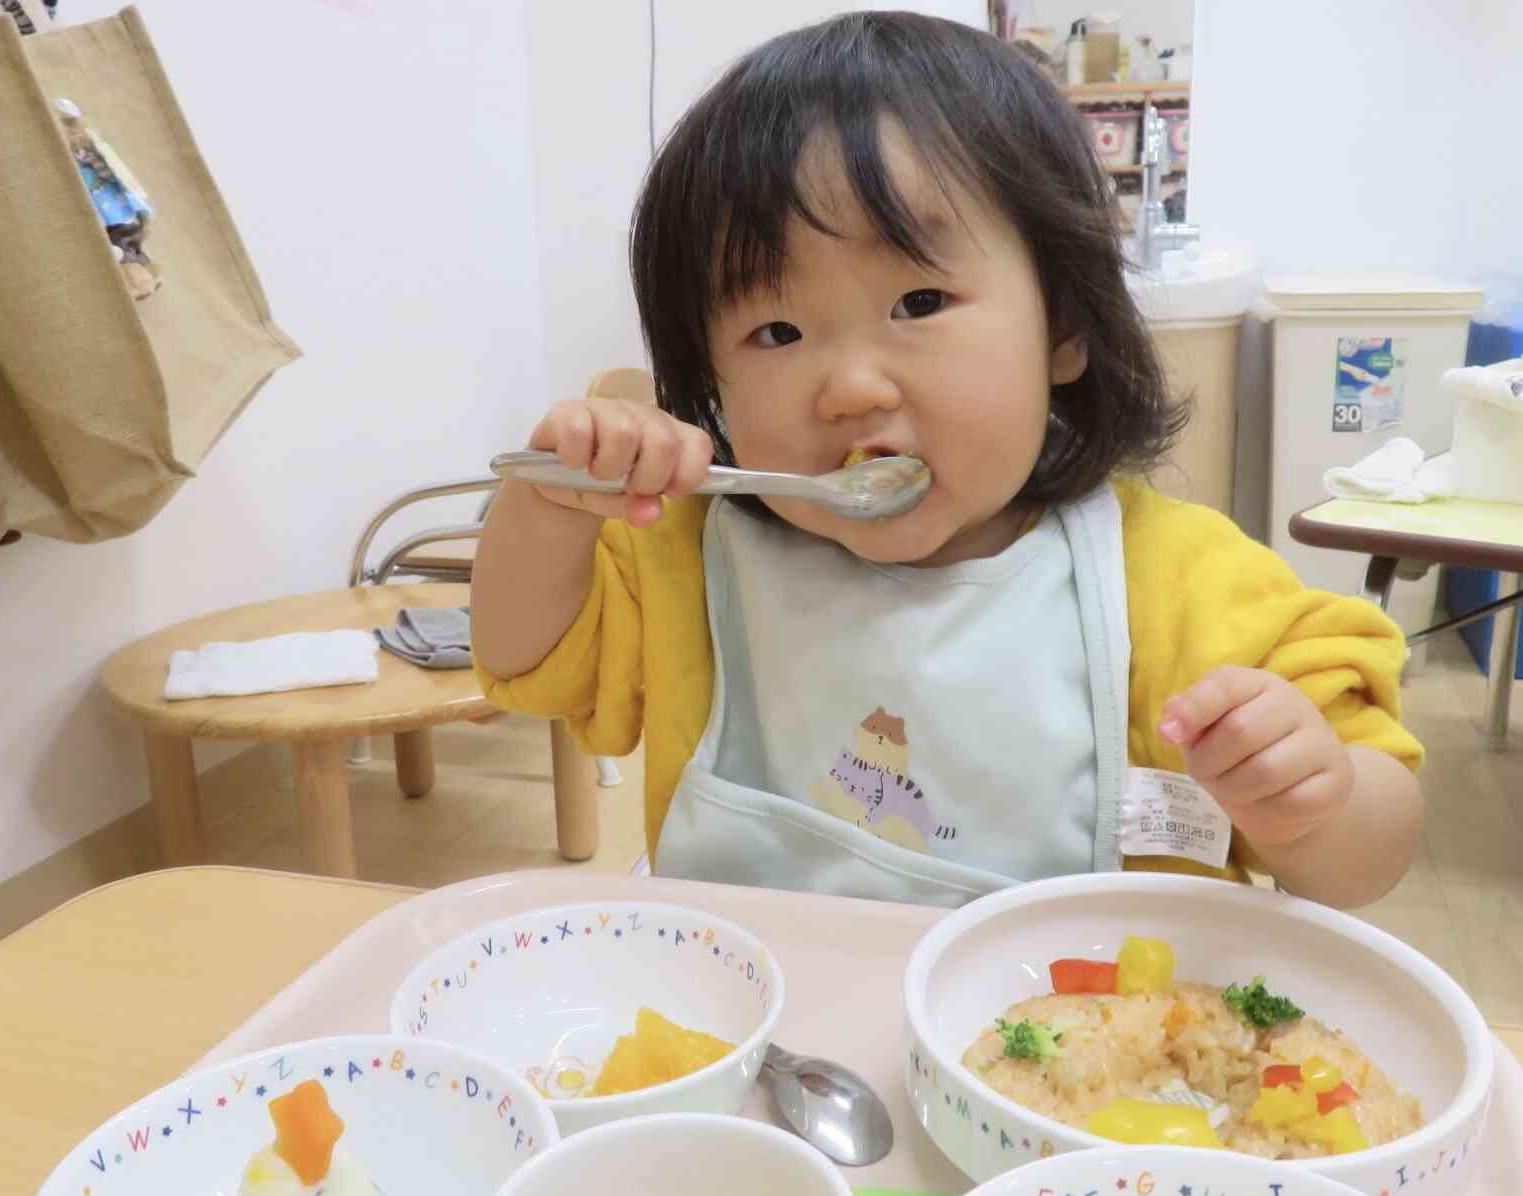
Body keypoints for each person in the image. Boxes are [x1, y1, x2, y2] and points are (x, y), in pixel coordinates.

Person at [473, 12, 1422, 909]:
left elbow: (1372, 855)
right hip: (756, 1006)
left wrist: (1316, 804)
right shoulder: (688, 554)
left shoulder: (1178, 584)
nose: (850, 388)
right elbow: (522, 659)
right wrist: (552, 505)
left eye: (919, 304)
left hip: (1078, 1022)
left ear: (1063, 327)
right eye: (777, 330)